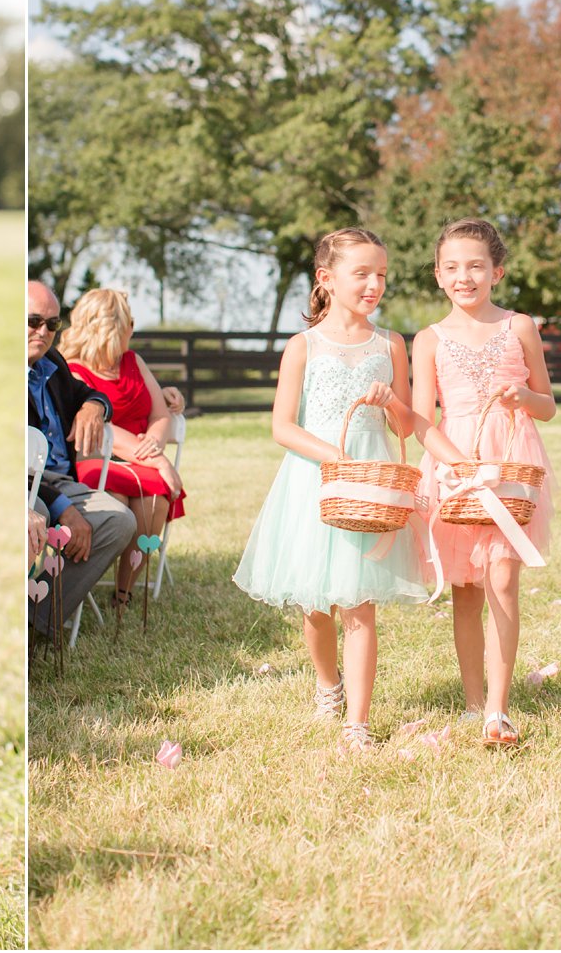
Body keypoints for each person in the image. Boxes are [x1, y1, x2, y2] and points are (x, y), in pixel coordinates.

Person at [234, 227, 466, 754]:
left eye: (381, 274)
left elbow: (407, 427)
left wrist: (390, 403)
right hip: (315, 481)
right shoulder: (304, 347)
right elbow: (282, 426)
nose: (374, 284)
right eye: (361, 273)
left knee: (360, 603)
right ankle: (327, 683)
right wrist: (332, 456)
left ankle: (357, 723)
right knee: (316, 604)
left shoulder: (390, 344)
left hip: (372, 482)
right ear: (326, 278)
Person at [412, 218, 556, 748]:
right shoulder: (429, 339)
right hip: (456, 465)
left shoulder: (519, 327)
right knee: (466, 591)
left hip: (509, 462)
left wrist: (522, 398)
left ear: (497, 270)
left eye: (475, 265)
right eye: (452, 267)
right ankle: (474, 705)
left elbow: (549, 404)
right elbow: (422, 419)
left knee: (501, 578)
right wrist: (456, 463)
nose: (464, 276)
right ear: (438, 276)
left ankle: (499, 709)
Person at [57, 288, 186, 625]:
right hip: (96, 462)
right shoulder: (72, 371)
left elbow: (160, 413)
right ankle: (83, 585)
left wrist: (155, 447)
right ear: (112, 327)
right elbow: (103, 430)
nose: (133, 327)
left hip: (141, 459)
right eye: (130, 321)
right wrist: (159, 461)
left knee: (152, 503)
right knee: (117, 502)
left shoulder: (133, 362)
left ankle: (124, 591)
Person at [27, 281, 138, 644]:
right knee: (36, 517)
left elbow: (90, 393)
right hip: (23, 481)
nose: (42, 332)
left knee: (120, 521)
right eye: (32, 321)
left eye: (52, 324)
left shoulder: (53, 362)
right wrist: (63, 509)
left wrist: (94, 406)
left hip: (61, 477)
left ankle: (37, 622)